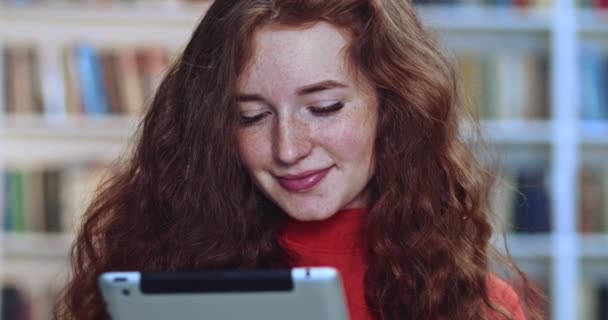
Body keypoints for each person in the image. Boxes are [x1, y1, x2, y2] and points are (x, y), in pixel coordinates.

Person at [58, 1, 544, 319]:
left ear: (393, 108)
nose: (288, 148)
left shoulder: (479, 307)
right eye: (251, 116)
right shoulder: (156, 281)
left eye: (325, 107)